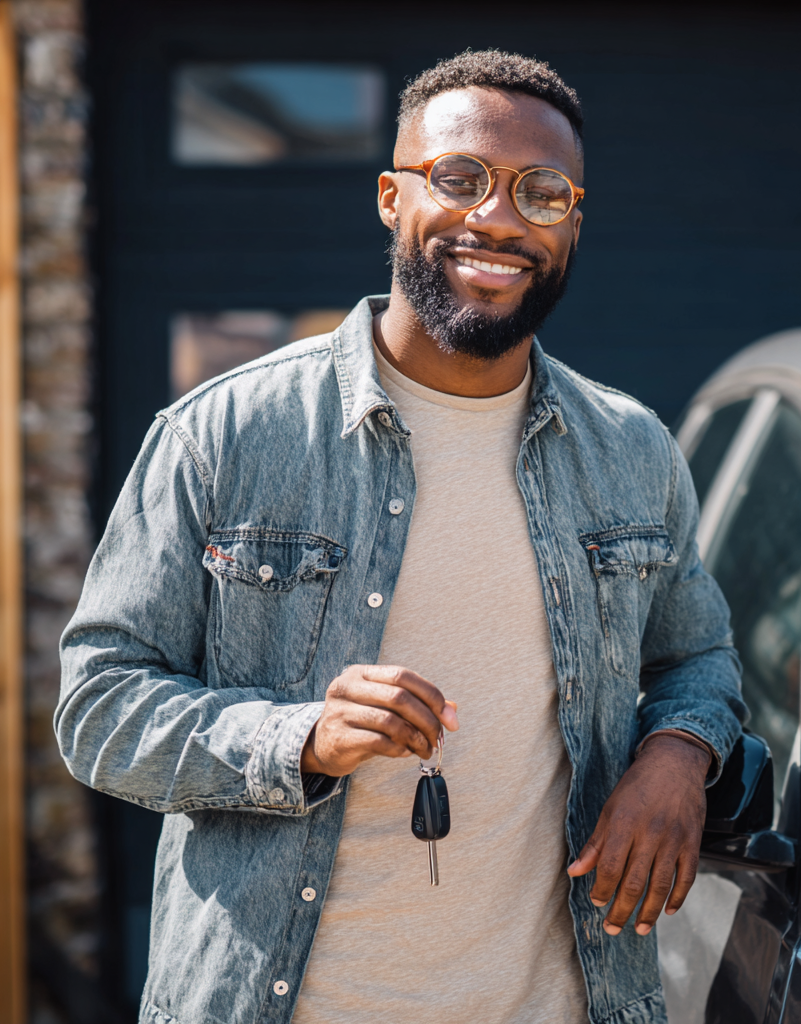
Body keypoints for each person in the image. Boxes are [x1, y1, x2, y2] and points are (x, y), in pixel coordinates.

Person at [57, 49, 745, 1024]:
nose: (498, 219)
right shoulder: (226, 435)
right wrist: (298, 736)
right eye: (459, 179)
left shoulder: (630, 449)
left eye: (542, 193)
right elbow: (98, 705)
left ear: (573, 223)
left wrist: (678, 754)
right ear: (391, 197)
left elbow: (697, 654)